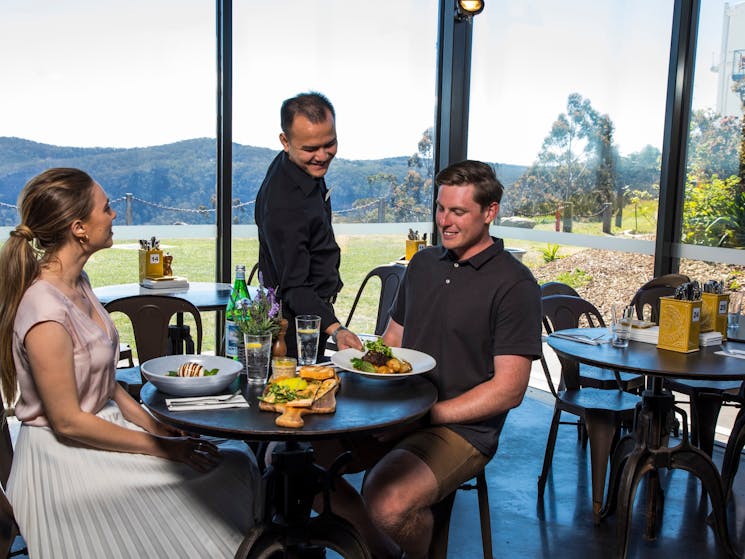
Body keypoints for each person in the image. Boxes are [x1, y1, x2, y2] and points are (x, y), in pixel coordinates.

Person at [0, 168, 259, 558]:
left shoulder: (79, 283)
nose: (114, 215)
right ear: (79, 228)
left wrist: (162, 430)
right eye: (106, 208)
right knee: (229, 470)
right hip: (63, 461)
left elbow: (107, 387)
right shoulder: (44, 310)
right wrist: (162, 449)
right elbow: (67, 421)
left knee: (233, 461)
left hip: (98, 432)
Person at [314, 160, 543, 558]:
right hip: (396, 411)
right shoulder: (420, 265)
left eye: (458, 212)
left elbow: (509, 390)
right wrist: (356, 359)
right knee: (301, 465)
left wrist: (427, 415)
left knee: (388, 501)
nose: (445, 222)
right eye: (440, 209)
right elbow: (392, 342)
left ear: (490, 212)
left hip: (461, 428)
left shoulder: (515, 284)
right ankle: (379, 551)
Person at [255, 91, 362, 359]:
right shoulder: (285, 203)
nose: (323, 156)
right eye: (310, 149)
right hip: (290, 326)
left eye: (330, 144)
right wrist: (337, 330)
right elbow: (294, 286)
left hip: (312, 312)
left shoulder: (299, 167)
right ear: (285, 141)